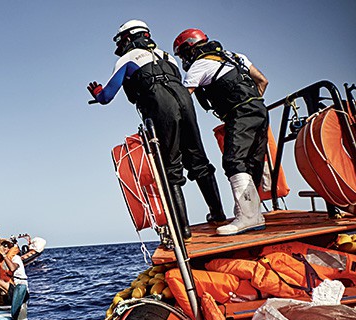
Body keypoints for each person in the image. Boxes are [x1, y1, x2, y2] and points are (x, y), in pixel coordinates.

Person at [87, 20, 226, 241]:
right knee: (198, 158)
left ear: (128, 38)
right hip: (183, 101)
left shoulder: (127, 59)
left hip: (160, 106)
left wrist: (96, 91)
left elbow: (106, 97)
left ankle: (183, 229)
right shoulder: (167, 56)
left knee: (169, 167)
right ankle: (218, 214)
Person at [173, 28, 269, 236]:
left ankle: (248, 217)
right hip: (260, 110)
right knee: (251, 163)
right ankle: (251, 214)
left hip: (240, 114)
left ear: (189, 49)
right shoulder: (235, 57)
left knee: (233, 160)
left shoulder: (199, 65)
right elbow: (262, 81)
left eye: (182, 54)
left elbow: (182, 100)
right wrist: (251, 105)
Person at [0, 239, 28, 306]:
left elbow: (12, 268)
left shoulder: (16, 258)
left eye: (6, 246)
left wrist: (4, 255)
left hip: (20, 291)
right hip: (9, 289)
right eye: (3, 246)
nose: (5, 248)